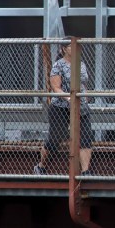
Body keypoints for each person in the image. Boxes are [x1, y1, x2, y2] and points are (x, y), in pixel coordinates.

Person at [34, 38, 94, 175]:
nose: (76, 49)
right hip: (60, 107)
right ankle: (41, 166)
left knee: (85, 136)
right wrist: (69, 98)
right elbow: (55, 87)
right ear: (64, 49)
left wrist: (84, 96)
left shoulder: (81, 64)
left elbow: (84, 83)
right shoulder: (58, 65)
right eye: (72, 46)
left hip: (80, 106)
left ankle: (86, 171)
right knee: (56, 137)